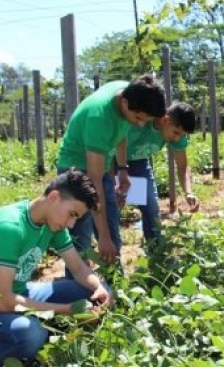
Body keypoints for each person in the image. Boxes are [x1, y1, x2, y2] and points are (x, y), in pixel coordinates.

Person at [0, 169, 113, 367]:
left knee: (89, 292)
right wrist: (67, 309)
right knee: (30, 332)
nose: (71, 224)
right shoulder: (11, 227)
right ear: (53, 197)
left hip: (19, 292)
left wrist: (100, 289)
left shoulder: (53, 225)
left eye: (76, 218)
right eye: (72, 214)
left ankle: (34, 355)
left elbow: (78, 268)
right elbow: (3, 301)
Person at [56, 74, 167, 270]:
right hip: (76, 167)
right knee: (81, 232)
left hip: (103, 163)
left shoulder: (127, 91)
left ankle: (113, 282)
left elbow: (121, 134)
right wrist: (103, 238)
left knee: (111, 225)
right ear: (124, 103)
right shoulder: (100, 118)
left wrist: (122, 170)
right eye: (138, 118)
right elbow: (93, 182)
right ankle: (76, 290)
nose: (140, 124)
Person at [115, 102, 200, 246]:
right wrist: (115, 185)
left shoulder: (177, 132)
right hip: (112, 160)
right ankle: (110, 261)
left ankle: (156, 253)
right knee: (112, 208)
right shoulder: (138, 121)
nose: (178, 138)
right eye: (176, 133)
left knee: (151, 209)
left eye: (182, 135)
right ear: (165, 120)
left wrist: (188, 192)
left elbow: (182, 165)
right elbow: (108, 148)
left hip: (139, 162)